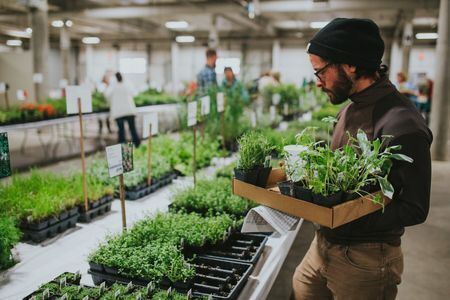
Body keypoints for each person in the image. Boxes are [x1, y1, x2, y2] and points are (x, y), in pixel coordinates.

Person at [293, 18, 432, 300]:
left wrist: (346, 216)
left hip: (365, 259)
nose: (318, 83)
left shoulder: (403, 124)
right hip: (322, 244)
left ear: (350, 65)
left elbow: (415, 208)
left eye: (320, 72)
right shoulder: (348, 110)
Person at [105, 72, 141, 148]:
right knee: (133, 129)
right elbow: (134, 93)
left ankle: (122, 148)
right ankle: (137, 145)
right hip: (129, 110)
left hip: (118, 113)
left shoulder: (113, 86)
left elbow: (107, 95)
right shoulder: (127, 84)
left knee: (121, 131)